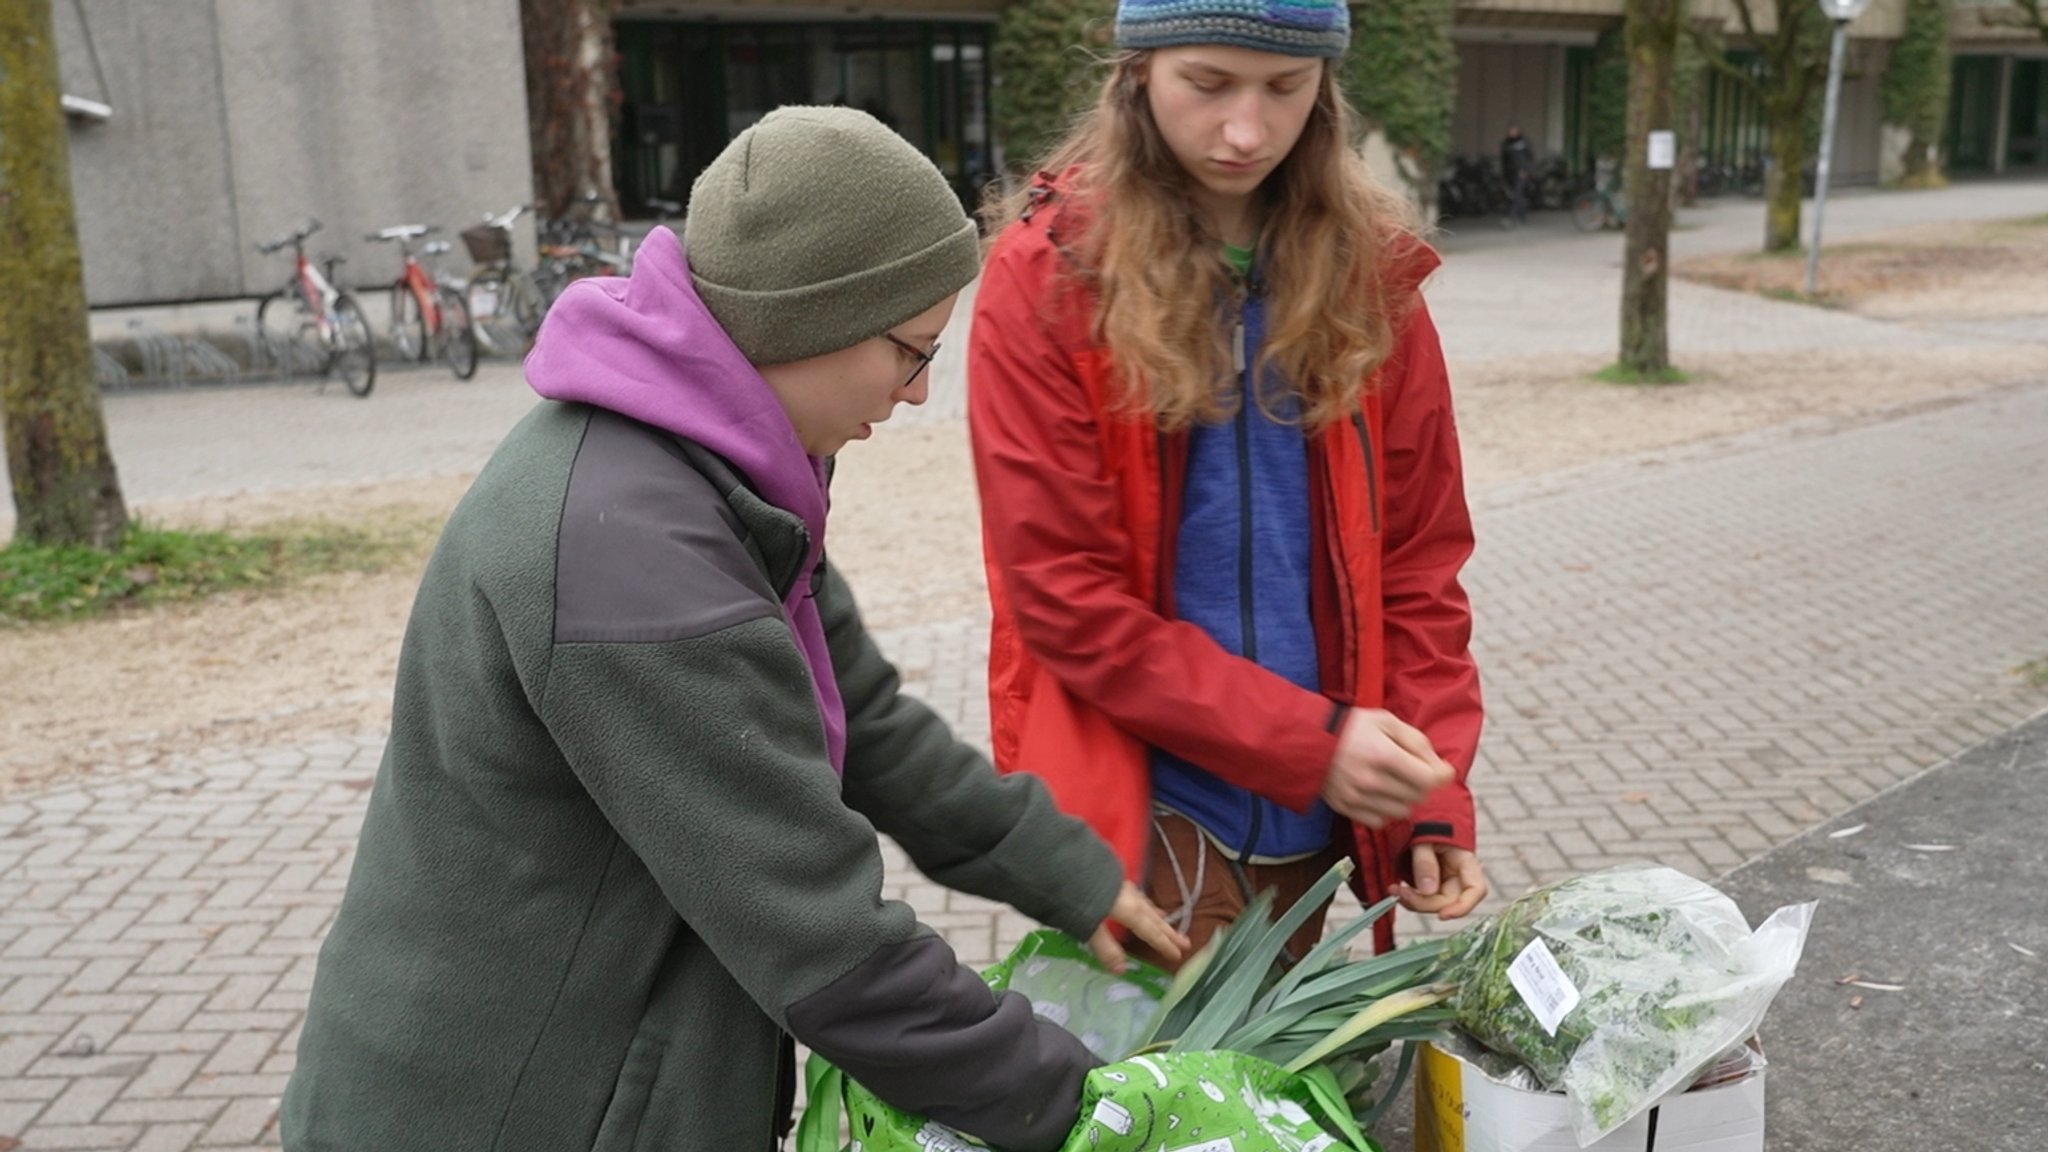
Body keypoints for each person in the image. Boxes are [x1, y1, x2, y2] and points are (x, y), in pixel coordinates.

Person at [281, 107, 1186, 1152]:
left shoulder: (711, 468)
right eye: (910, 352)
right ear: (808, 318)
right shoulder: (632, 556)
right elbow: (822, 940)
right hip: (511, 1106)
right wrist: (1090, 1113)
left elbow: (867, 720)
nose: (920, 391)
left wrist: (1065, 873)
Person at [967, 0, 1488, 970]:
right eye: (1206, 85)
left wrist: (1422, 785)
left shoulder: (1370, 276)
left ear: (1323, 90)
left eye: (1284, 89)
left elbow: (1417, 561)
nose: (1245, 130)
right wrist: (1313, 741)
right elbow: (1063, 600)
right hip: (1146, 817)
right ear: (1137, 73)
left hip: (1317, 820)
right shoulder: (1047, 279)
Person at [1500, 123, 1535, 226]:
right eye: (1510, 130)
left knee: (1517, 194)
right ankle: (1523, 216)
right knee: (1516, 195)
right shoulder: (1506, 143)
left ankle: (1511, 217)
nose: (1512, 132)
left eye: (1514, 130)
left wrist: (1527, 170)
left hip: (1521, 173)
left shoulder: (1524, 142)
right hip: (1510, 173)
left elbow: (1530, 157)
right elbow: (1504, 160)